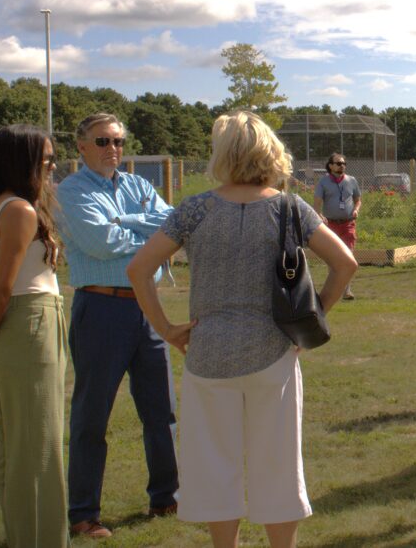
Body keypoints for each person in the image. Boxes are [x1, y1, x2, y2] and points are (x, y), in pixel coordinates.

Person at [127, 111, 357, 547]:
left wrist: (167, 328)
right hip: (274, 351)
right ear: (269, 152)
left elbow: (139, 268)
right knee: (278, 465)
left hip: (208, 353)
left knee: (214, 466)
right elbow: (345, 263)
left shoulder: (195, 209)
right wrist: (314, 320)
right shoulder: (290, 208)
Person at [56, 113, 178, 538]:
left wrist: (124, 222)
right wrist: (147, 234)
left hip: (145, 309)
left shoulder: (138, 185)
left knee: (161, 411)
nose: (113, 149)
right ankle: (84, 514)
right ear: (82, 147)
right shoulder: (70, 190)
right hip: (101, 310)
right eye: (103, 141)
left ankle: (166, 498)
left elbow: (173, 224)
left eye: (119, 141)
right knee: (92, 416)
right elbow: (100, 242)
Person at [0, 125, 68, 547]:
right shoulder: (19, 210)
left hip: (27, 321)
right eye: (44, 159)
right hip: (28, 322)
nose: (51, 166)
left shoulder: (6, 205)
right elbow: (1, 287)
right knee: (39, 448)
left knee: (17, 443)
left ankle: (23, 534)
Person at [313, 152, 361, 299]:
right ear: (331, 166)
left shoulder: (351, 181)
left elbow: (358, 199)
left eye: (344, 163)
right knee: (333, 259)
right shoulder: (323, 182)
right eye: (339, 163)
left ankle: (347, 291)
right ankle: (334, 290)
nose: (342, 166)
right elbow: (317, 202)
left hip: (347, 224)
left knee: (348, 256)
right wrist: (319, 214)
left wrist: (356, 210)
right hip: (330, 225)